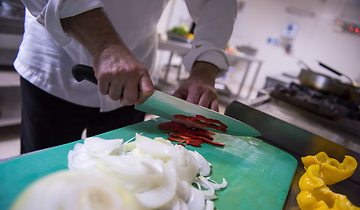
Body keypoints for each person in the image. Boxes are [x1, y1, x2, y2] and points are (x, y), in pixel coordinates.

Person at [16, 0, 238, 153]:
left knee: (120, 171)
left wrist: (205, 69)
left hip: (135, 79)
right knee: (43, 175)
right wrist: (104, 44)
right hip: (57, 62)